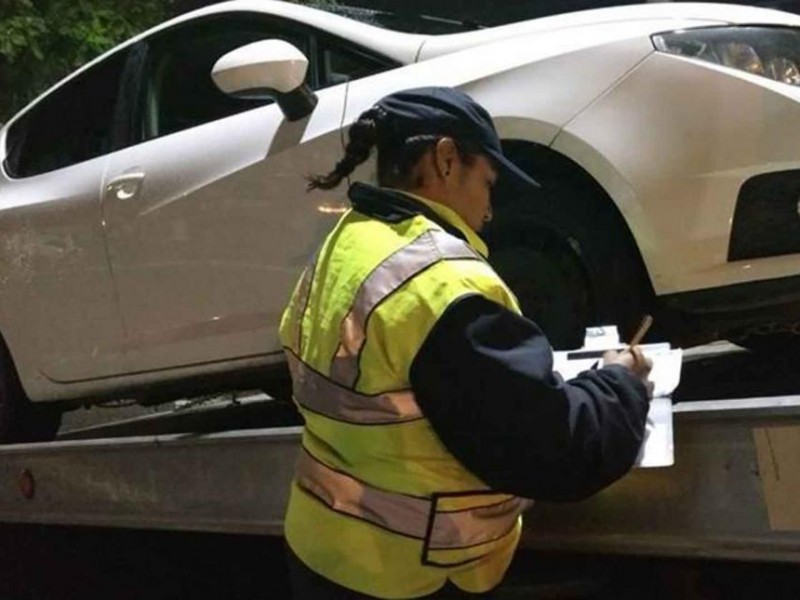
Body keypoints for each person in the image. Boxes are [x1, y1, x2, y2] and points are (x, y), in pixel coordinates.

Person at [279, 87, 653, 599]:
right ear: (447, 159)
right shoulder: (441, 284)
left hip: (324, 551)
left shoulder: (346, 243)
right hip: (409, 575)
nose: (491, 210)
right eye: (487, 182)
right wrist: (619, 383)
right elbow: (553, 448)